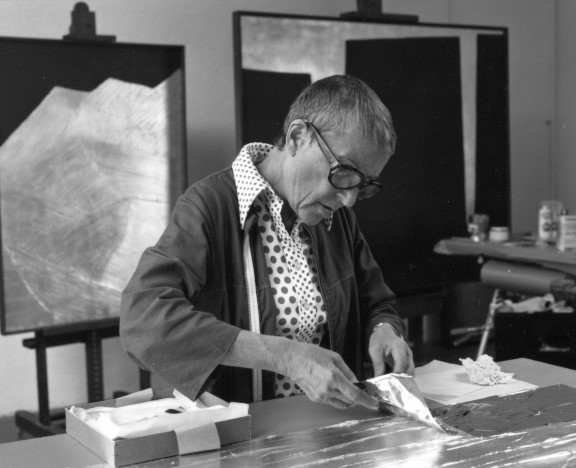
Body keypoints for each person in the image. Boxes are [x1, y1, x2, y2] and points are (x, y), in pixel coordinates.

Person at [120, 74, 414, 411]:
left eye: (363, 185)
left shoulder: (336, 217)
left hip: (329, 430)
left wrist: (384, 329)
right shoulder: (209, 207)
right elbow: (142, 321)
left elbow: (376, 302)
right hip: (242, 436)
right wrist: (284, 356)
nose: (349, 200)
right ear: (297, 137)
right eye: (344, 172)